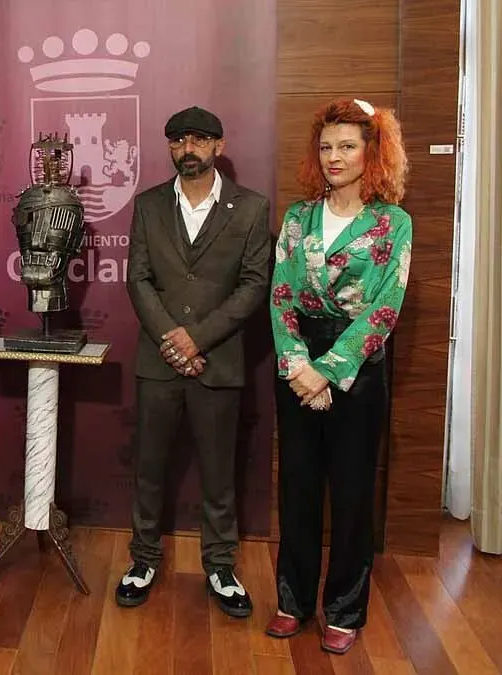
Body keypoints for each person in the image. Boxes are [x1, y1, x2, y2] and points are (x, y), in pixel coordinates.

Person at [265, 98, 411, 654]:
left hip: (356, 368)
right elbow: (280, 296)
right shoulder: (299, 217)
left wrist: (327, 372)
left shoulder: (392, 223)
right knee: (297, 487)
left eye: (347, 145)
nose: (334, 156)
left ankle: (345, 609)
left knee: (351, 494)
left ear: (372, 151)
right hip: (296, 362)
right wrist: (299, 366)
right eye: (326, 146)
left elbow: (384, 309)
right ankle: (292, 601)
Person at [117, 106, 271, 617]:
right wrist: (171, 339)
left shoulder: (250, 209)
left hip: (218, 363)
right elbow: (137, 278)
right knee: (149, 470)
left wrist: (197, 340)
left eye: (201, 139)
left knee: (218, 473)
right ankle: (142, 559)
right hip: (158, 361)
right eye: (180, 140)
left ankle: (221, 566)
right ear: (170, 148)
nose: (190, 148)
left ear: (219, 147)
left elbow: (254, 284)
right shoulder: (148, 205)